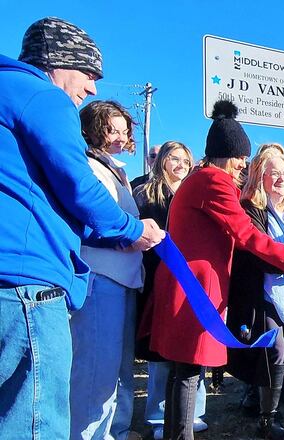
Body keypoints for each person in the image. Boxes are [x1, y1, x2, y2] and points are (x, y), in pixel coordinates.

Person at [0, 17, 164, 439]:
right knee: (36, 418)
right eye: (89, 73)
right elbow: (78, 187)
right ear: (58, 61)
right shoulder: (42, 95)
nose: (92, 87)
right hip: (28, 286)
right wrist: (132, 230)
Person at [143, 101, 284, 440]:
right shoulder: (215, 181)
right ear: (227, 154)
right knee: (188, 370)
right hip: (195, 286)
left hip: (184, 281)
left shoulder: (199, 179)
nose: (243, 163)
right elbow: (247, 234)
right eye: (241, 156)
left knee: (181, 369)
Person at [68, 101, 144, 440]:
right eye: (110, 129)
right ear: (92, 129)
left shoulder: (118, 170)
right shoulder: (86, 165)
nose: (119, 136)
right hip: (101, 277)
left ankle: (118, 430)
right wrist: (131, 235)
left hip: (126, 278)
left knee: (120, 368)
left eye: (124, 130)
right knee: (97, 368)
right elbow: (92, 222)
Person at [226, 147, 284, 439]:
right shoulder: (250, 207)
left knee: (279, 350)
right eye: (273, 173)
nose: (281, 178)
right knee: (274, 350)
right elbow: (256, 252)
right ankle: (268, 420)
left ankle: (265, 403)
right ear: (259, 176)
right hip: (259, 291)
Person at [133, 141, 207, 439]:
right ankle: (159, 418)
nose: (180, 164)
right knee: (162, 355)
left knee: (193, 351)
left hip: (191, 284)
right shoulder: (146, 194)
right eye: (174, 158)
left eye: (185, 160)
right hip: (158, 282)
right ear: (162, 161)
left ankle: (195, 413)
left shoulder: (193, 194)